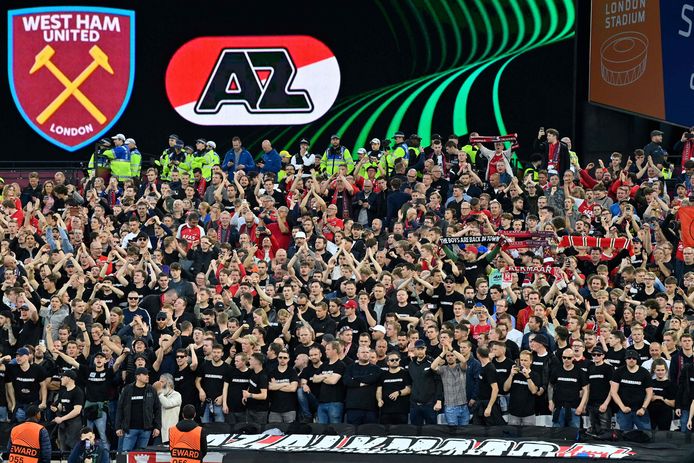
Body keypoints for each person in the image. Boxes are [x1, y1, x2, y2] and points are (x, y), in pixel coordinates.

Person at [116, 367, 162, 451]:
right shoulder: (127, 389)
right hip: (130, 429)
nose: (147, 376)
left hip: (146, 429)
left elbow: (157, 409)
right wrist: (118, 427)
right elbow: (120, 408)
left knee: (141, 456)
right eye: (145, 374)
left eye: (147, 374)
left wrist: (157, 427)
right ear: (138, 376)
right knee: (126, 454)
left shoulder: (151, 390)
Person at [431, 337, 470, 426]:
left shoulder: (461, 367)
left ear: (456, 357)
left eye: (452, 355)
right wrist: (443, 352)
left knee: (465, 431)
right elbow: (433, 366)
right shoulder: (443, 369)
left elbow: (463, 360)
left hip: (464, 406)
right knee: (453, 432)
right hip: (450, 407)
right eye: (448, 356)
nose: (450, 357)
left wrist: (450, 348)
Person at [610, 349, 652, 431]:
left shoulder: (644, 372)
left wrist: (643, 408)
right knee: (625, 435)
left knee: (646, 435)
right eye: (629, 358)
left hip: (640, 410)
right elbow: (613, 392)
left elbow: (649, 392)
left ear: (637, 359)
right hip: (623, 411)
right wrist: (622, 407)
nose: (631, 360)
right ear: (625, 359)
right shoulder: (618, 372)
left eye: (634, 358)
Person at [549, 345, 588, 428]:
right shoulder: (556, 370)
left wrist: (581, 406)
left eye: (569, 358)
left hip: (574, 408)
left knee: (574, 434)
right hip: (558, 407)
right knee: (556, 434)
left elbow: (586, 390)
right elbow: (550, 386)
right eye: (564, 357)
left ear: (573, 358)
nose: (566, 360)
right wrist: (550, 401)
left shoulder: (579, 372)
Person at [408, 339, 443, 425]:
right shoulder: (411, 364)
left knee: (431, 430)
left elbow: (439, 383)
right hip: (415, 404)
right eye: (418, 349)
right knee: (415, 430)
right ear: (414, 350)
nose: (420, 351)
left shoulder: (431, 362)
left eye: (422, 349)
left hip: (430, 404)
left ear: (425, 349)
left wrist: (439, 400)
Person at [504, 350, 540, 426]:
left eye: (525, 360)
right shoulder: (514, 374)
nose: (523, 363)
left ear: (531, 361)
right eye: (521, 360)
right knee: (512, 433)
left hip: (528, 414)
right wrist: (511, 375)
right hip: (513, 413)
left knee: (529, 434)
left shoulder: (535, 375)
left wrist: (527, 377)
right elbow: (505, 389)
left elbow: (534, 391)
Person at [473, 346, 505, 425]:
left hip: (488, 404)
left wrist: (489, 407)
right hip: (480, 402)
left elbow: (495, 389)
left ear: (478, 354)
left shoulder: (489, 368)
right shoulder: (483, 366)